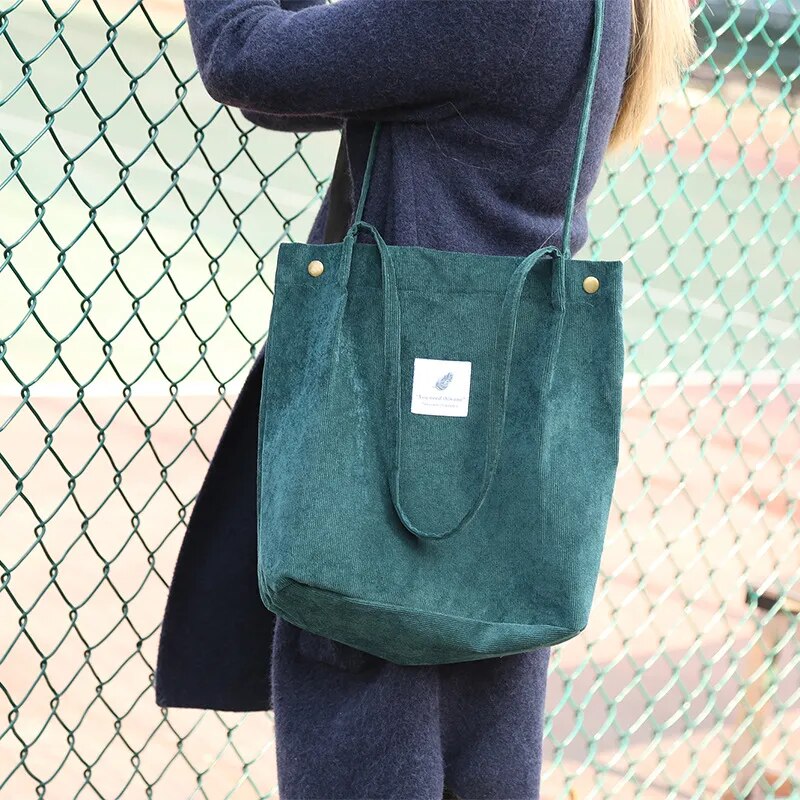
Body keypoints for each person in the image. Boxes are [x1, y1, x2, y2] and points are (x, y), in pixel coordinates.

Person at [155, 1, 698, 798]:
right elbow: (309, 81)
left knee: (373, 725)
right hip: (493, 452)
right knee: (479, 741)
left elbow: (248, 59)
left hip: (388, 454)